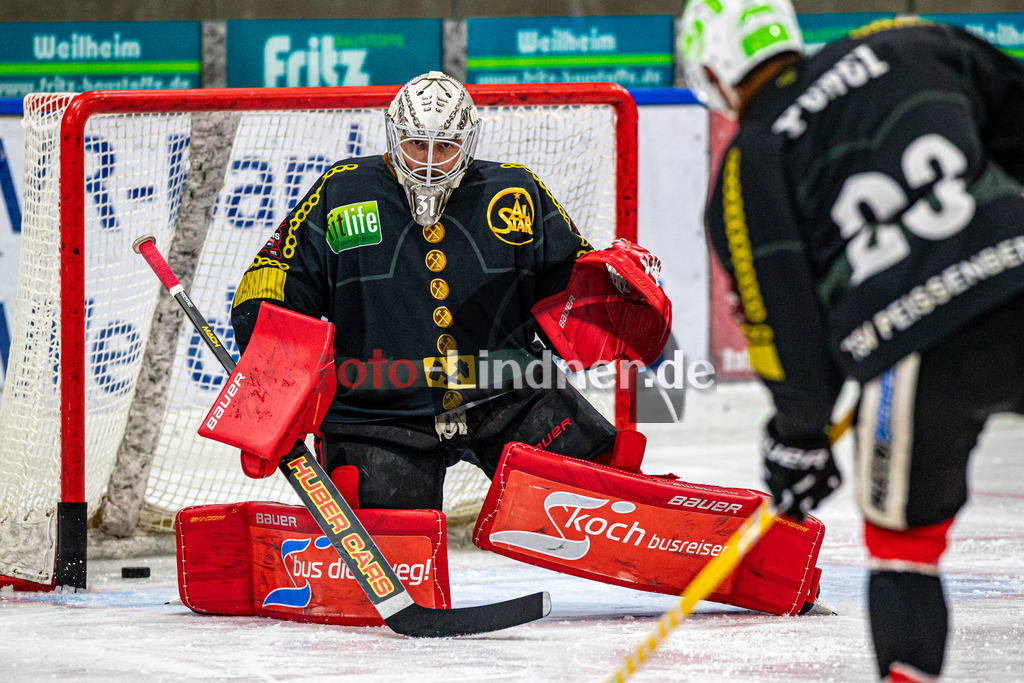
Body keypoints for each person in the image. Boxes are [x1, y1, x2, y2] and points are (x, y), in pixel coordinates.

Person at [682, 2, 1024, 681]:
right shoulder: (909, 42)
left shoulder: (750, 162)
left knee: (903, 549)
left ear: (714, 74)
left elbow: (786, 329)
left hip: (918, 345)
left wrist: (799, 439)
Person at [229, 71, 653, 511]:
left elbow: (568, 278)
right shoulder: (343, 190)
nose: (429, 161)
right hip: (378, 413)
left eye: (445, 147)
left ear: (467, 144)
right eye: (417, 144)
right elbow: (276, 278)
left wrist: (614, 282)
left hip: (507, 396)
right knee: (386, 537)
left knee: (602, 485)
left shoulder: (515, 192)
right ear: (395, 136)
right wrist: (271, 384)